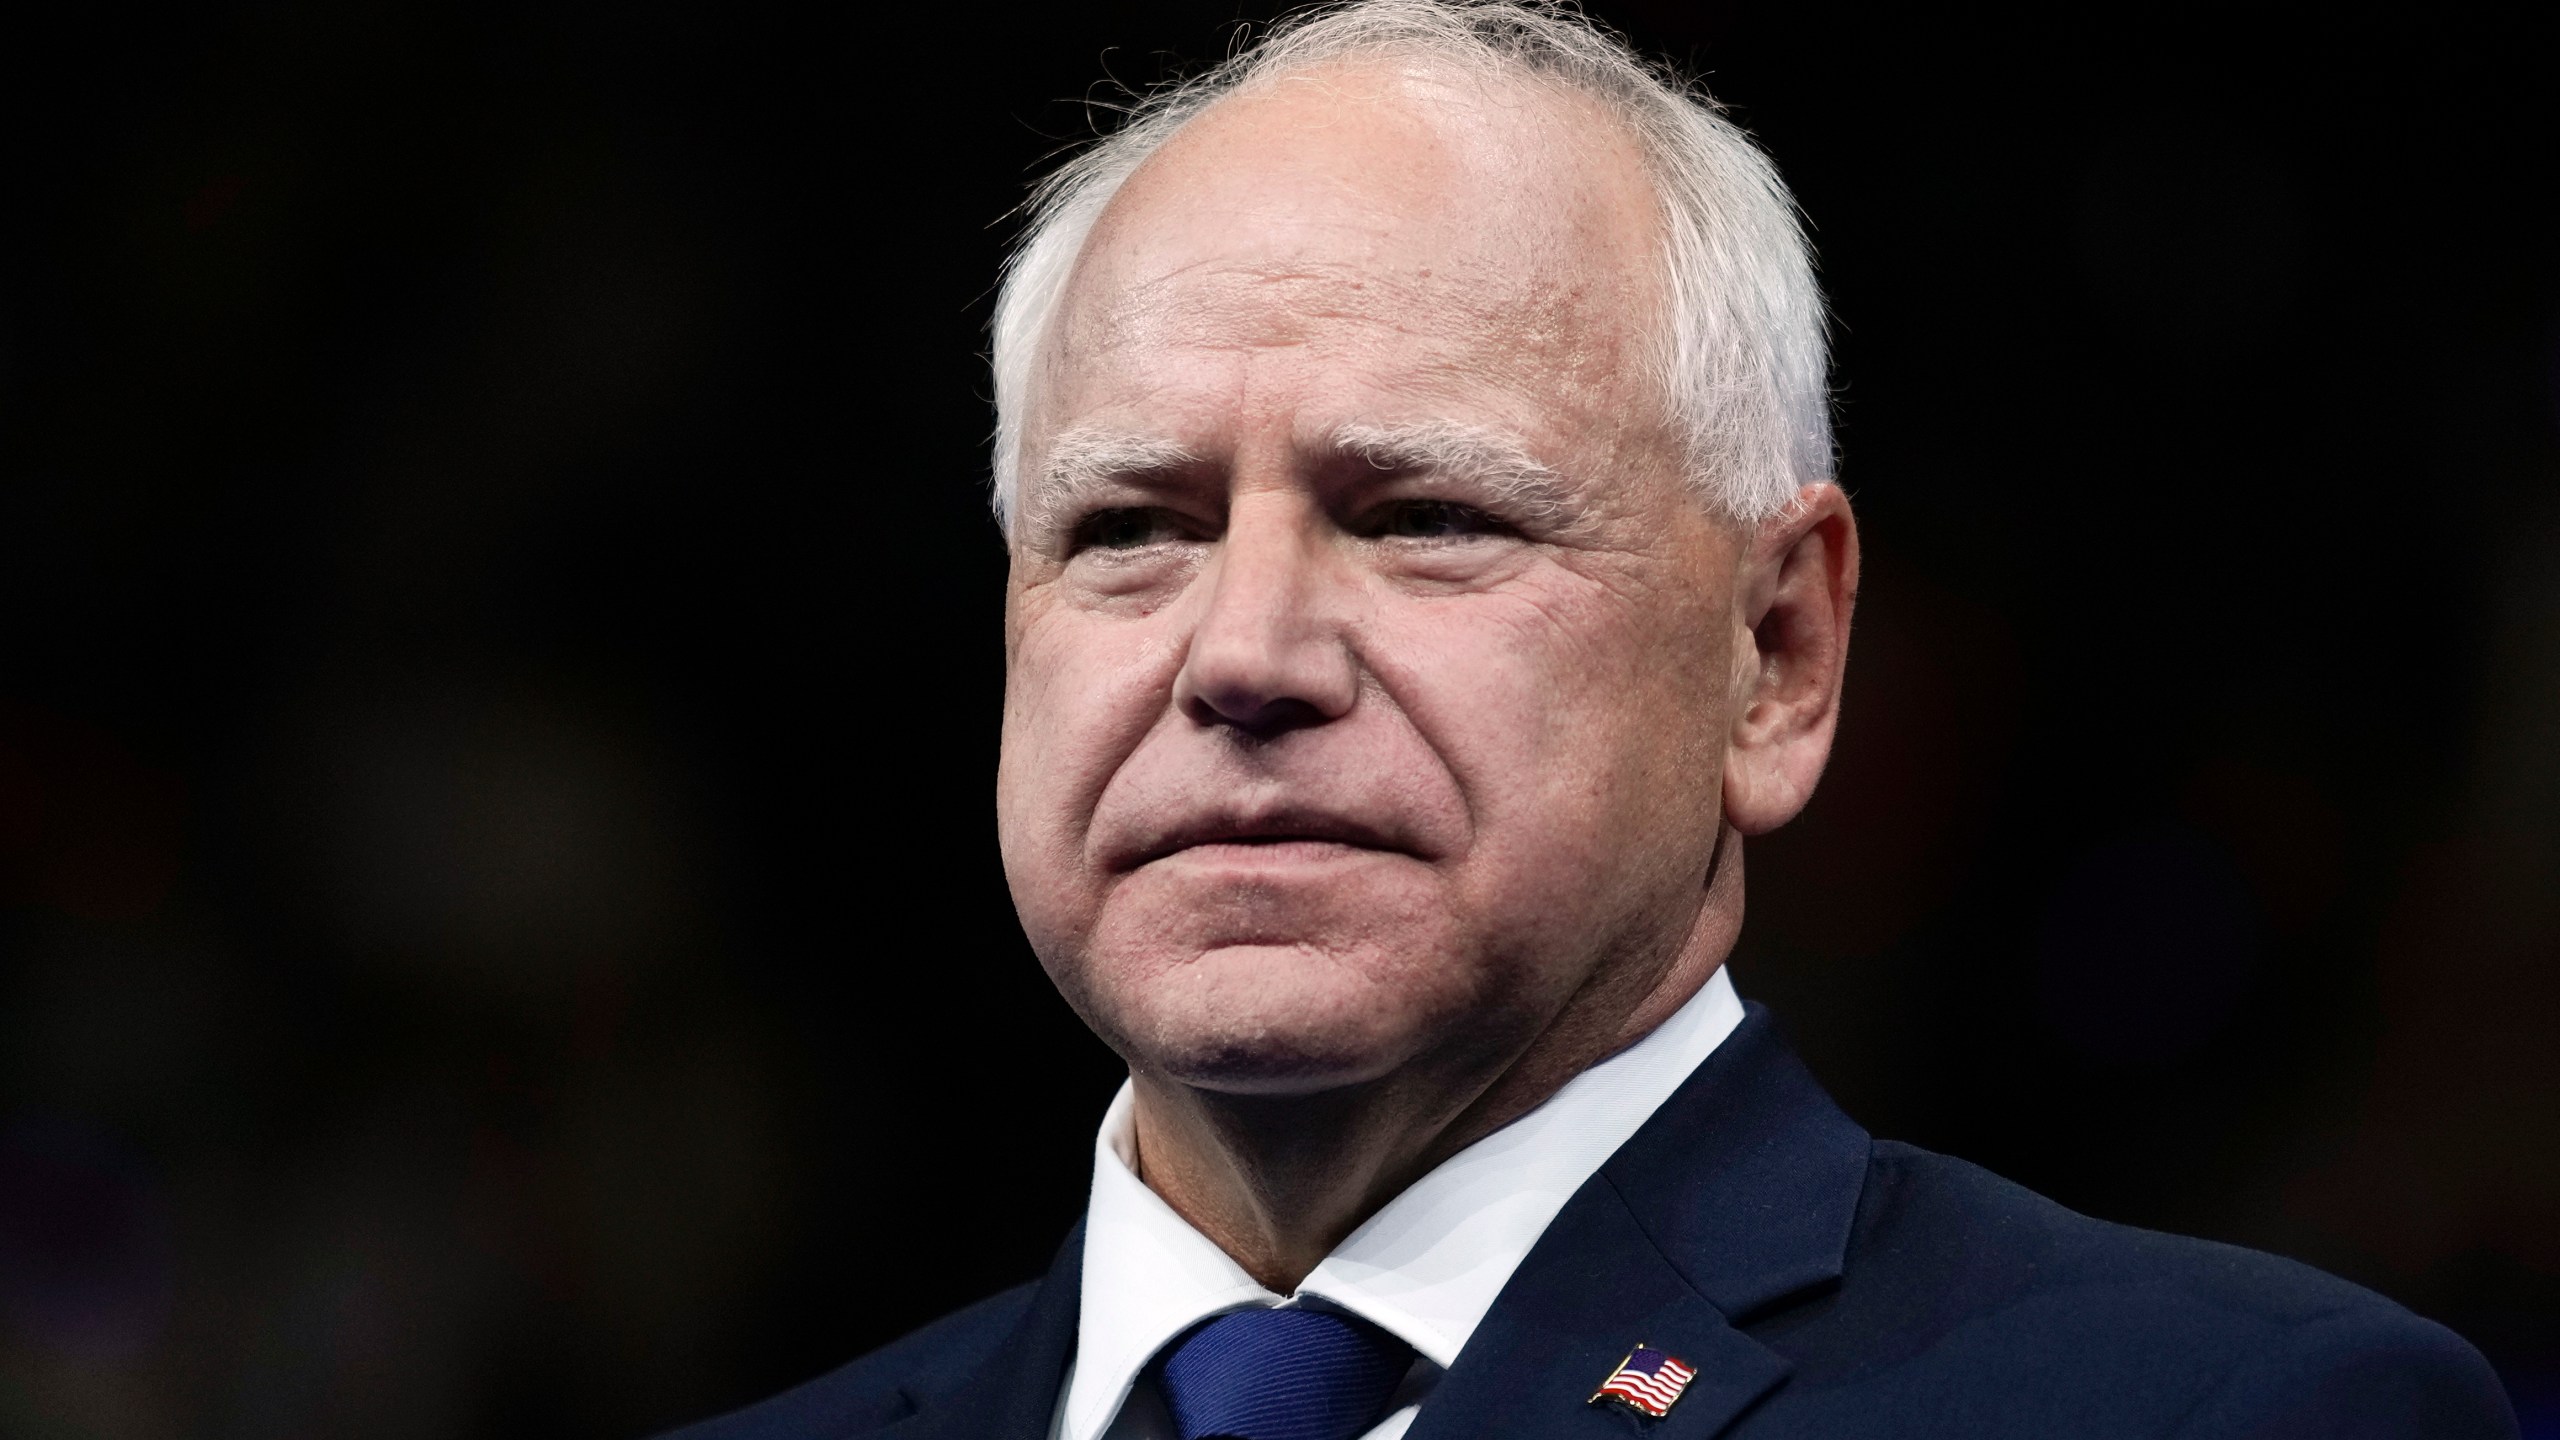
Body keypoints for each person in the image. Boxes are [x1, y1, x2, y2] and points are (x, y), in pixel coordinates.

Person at [668, 3, 2519, 1437]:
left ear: (1776, 657)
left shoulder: (2228, 1414)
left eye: (1426, 520)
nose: (1242, 653)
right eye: (1132, 528)